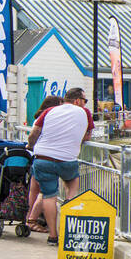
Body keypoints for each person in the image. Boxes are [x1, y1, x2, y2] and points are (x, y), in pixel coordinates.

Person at [27, 87, 93, 246]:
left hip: (43, 157)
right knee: (72, 185)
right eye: (85, 101)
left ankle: (53, 235)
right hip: (66, 159)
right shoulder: (85, 113)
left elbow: (34, 132)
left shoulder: (49, 111)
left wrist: (31, 146)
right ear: (77, 100)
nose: (85, 104)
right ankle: (67, 224)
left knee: (49, 195)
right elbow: (87, 136)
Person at [25, 95, 66, 232]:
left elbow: (33, 134)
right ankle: (32, 220)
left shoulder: (38, 117)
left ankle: (27, 218)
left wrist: (31, 146)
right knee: (44, 191)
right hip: (47, 156)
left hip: (36, 155)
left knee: (34, 190)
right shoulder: (50, 118)